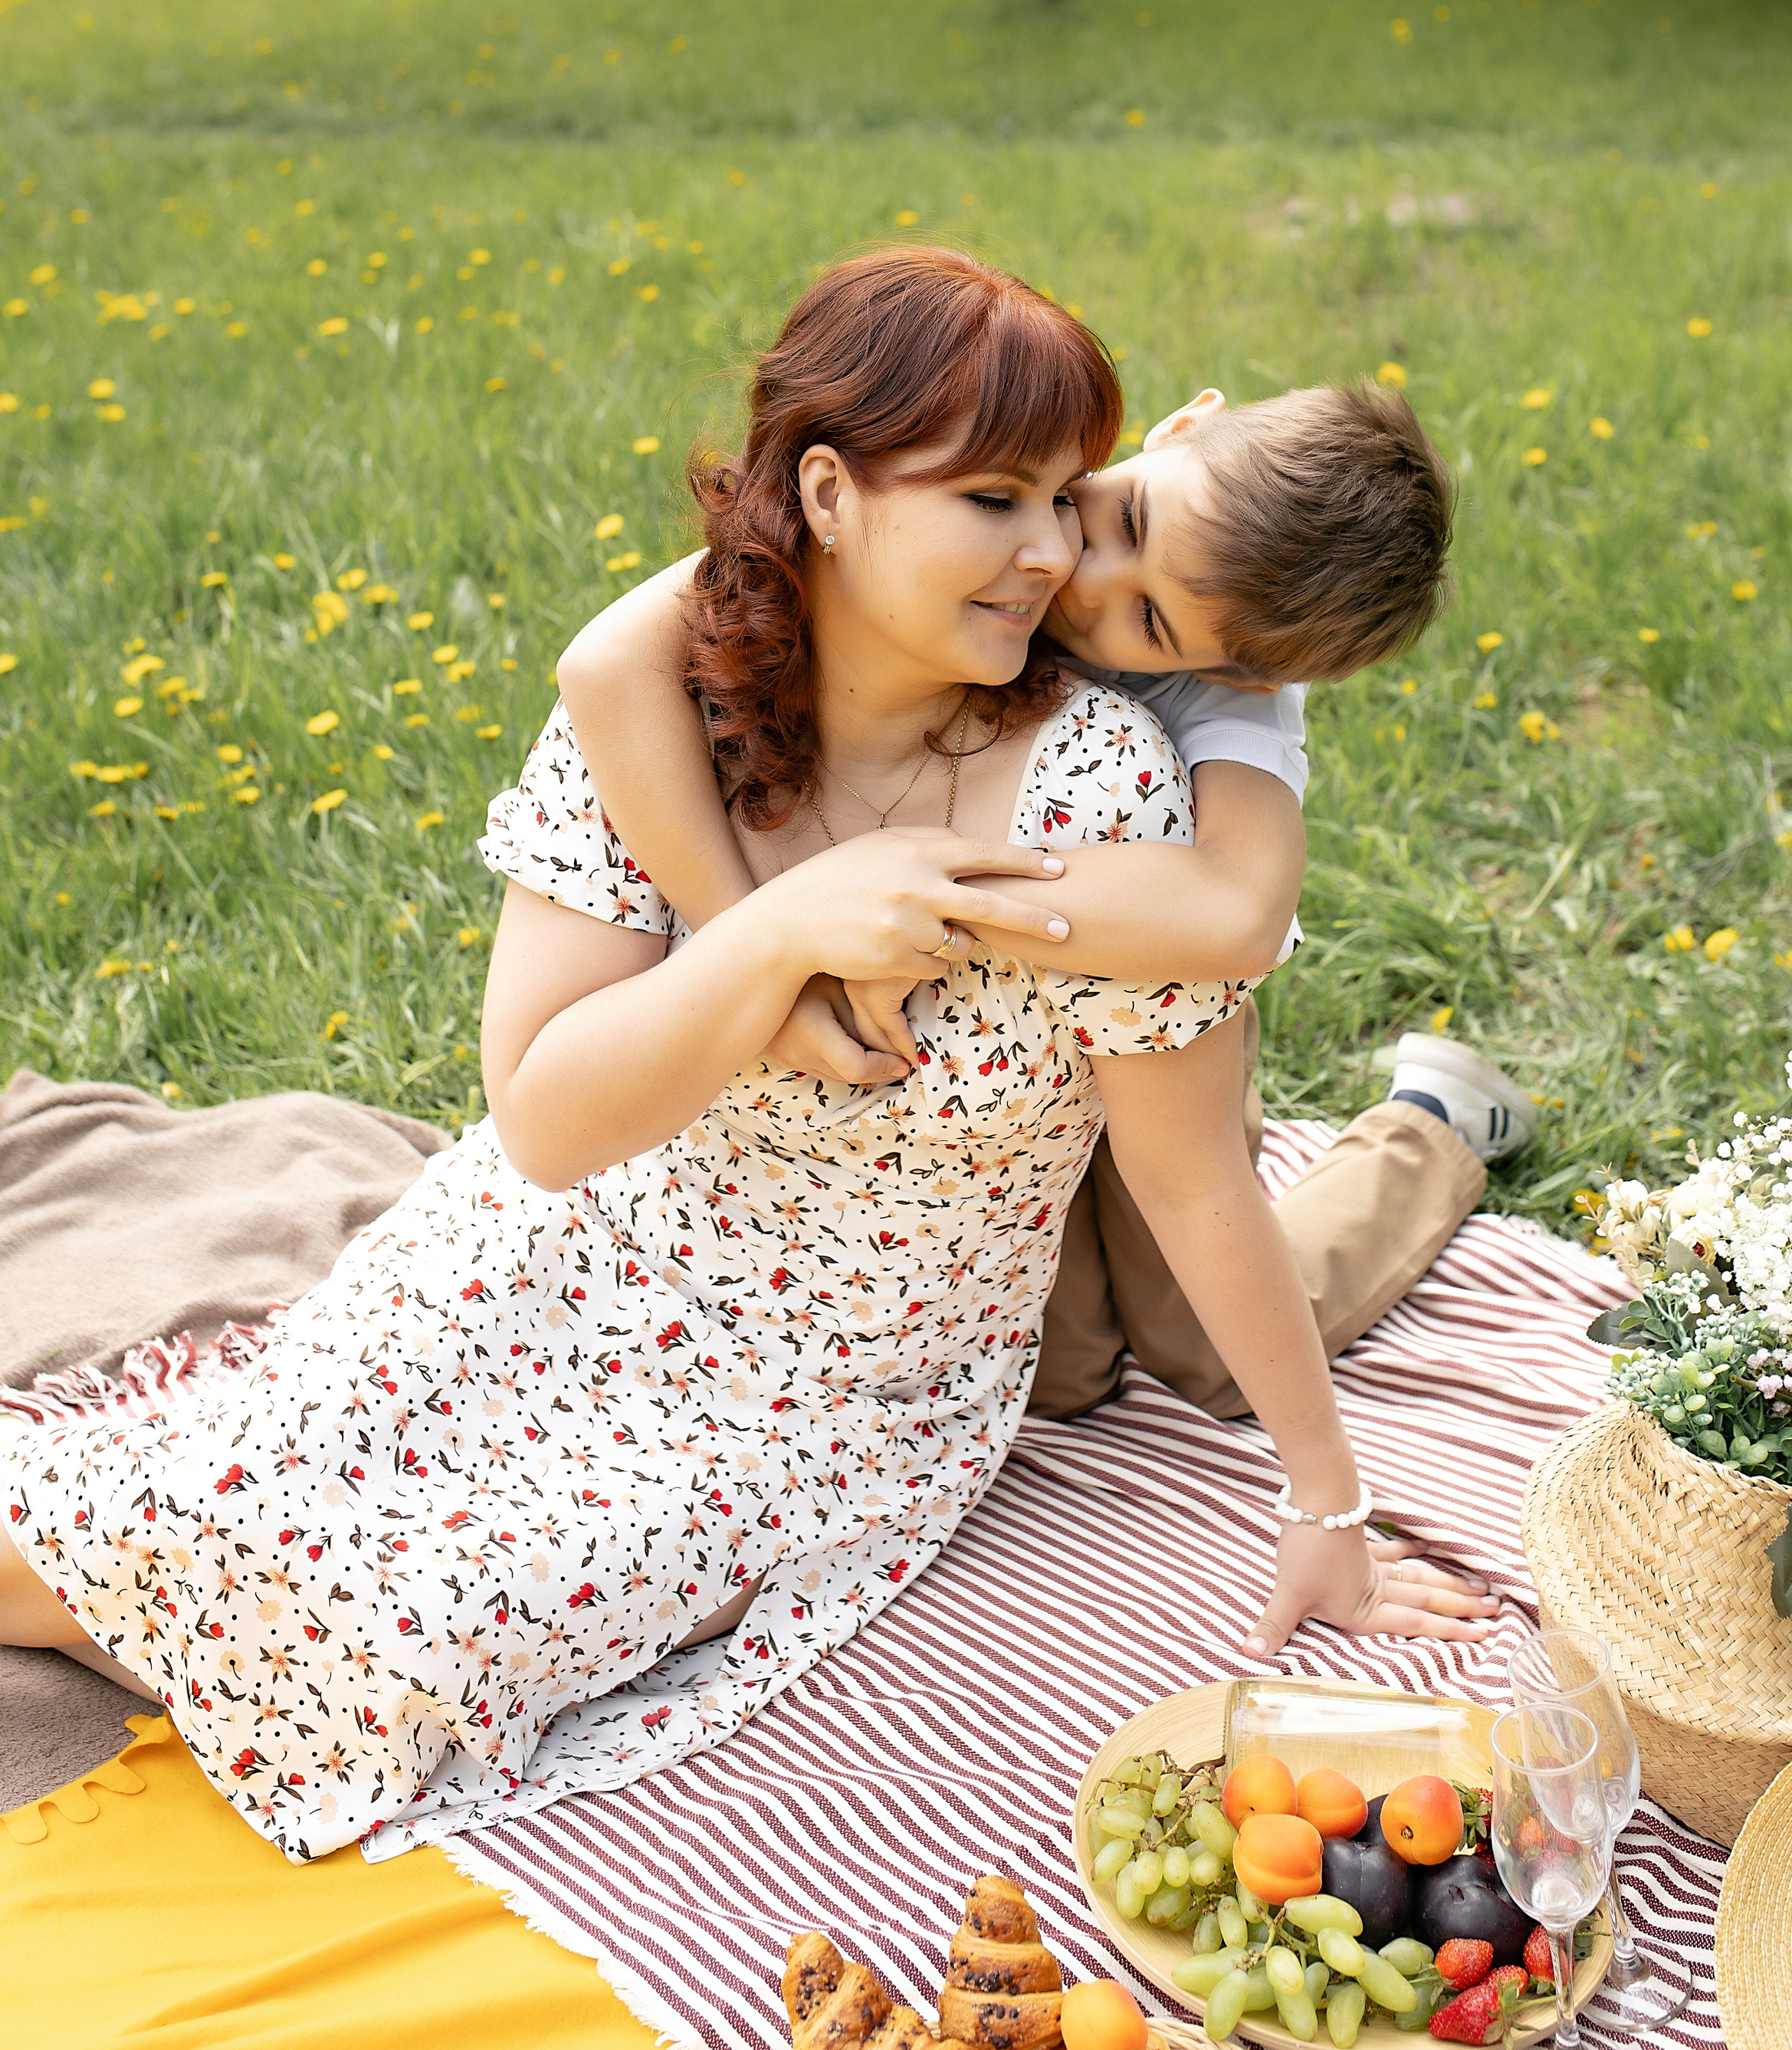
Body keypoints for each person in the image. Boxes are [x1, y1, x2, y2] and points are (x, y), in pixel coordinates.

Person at [0, 247, 1493, 1870]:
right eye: (1009, 501)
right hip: (573, 1247)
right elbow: (551, 1126)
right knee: (231, 1484)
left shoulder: (1128, 778)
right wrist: (778, 935)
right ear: (833, 496)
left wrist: (1325, 1502)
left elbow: (1208, 1092)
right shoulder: (673, 680)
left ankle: (1429, 1126)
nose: (1059, 556)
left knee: (421, 1640)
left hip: (834, 1382)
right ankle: (149, 1577)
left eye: (1069, 506)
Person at [559, 356, 1538, 1429]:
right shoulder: (1005, 509)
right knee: (1052, 1380)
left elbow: (1237, 916)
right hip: (988, 1071)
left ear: (1243, 676)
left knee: (1203, 1349)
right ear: (1179, 428)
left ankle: (1426, 1126)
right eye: (1121, 520)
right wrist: (767, 942)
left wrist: (921, 887)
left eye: (1151, 626)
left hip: (1149, 1017)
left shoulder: (1237, 699)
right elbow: (612, 662)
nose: (1080, 579)